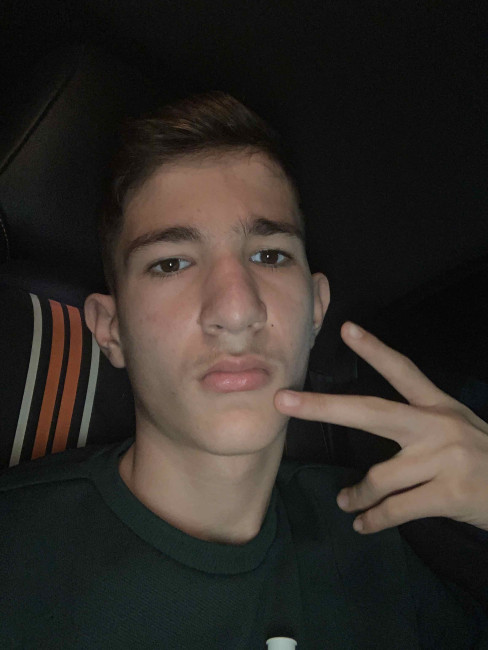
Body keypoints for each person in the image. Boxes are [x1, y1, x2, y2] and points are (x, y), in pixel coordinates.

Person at [0, 91, 487, 649]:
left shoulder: (374, 536)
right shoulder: (15, 560)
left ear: (316, 310)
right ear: (111, 330)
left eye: (269, 256)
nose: (236, 310)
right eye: (171, 263)